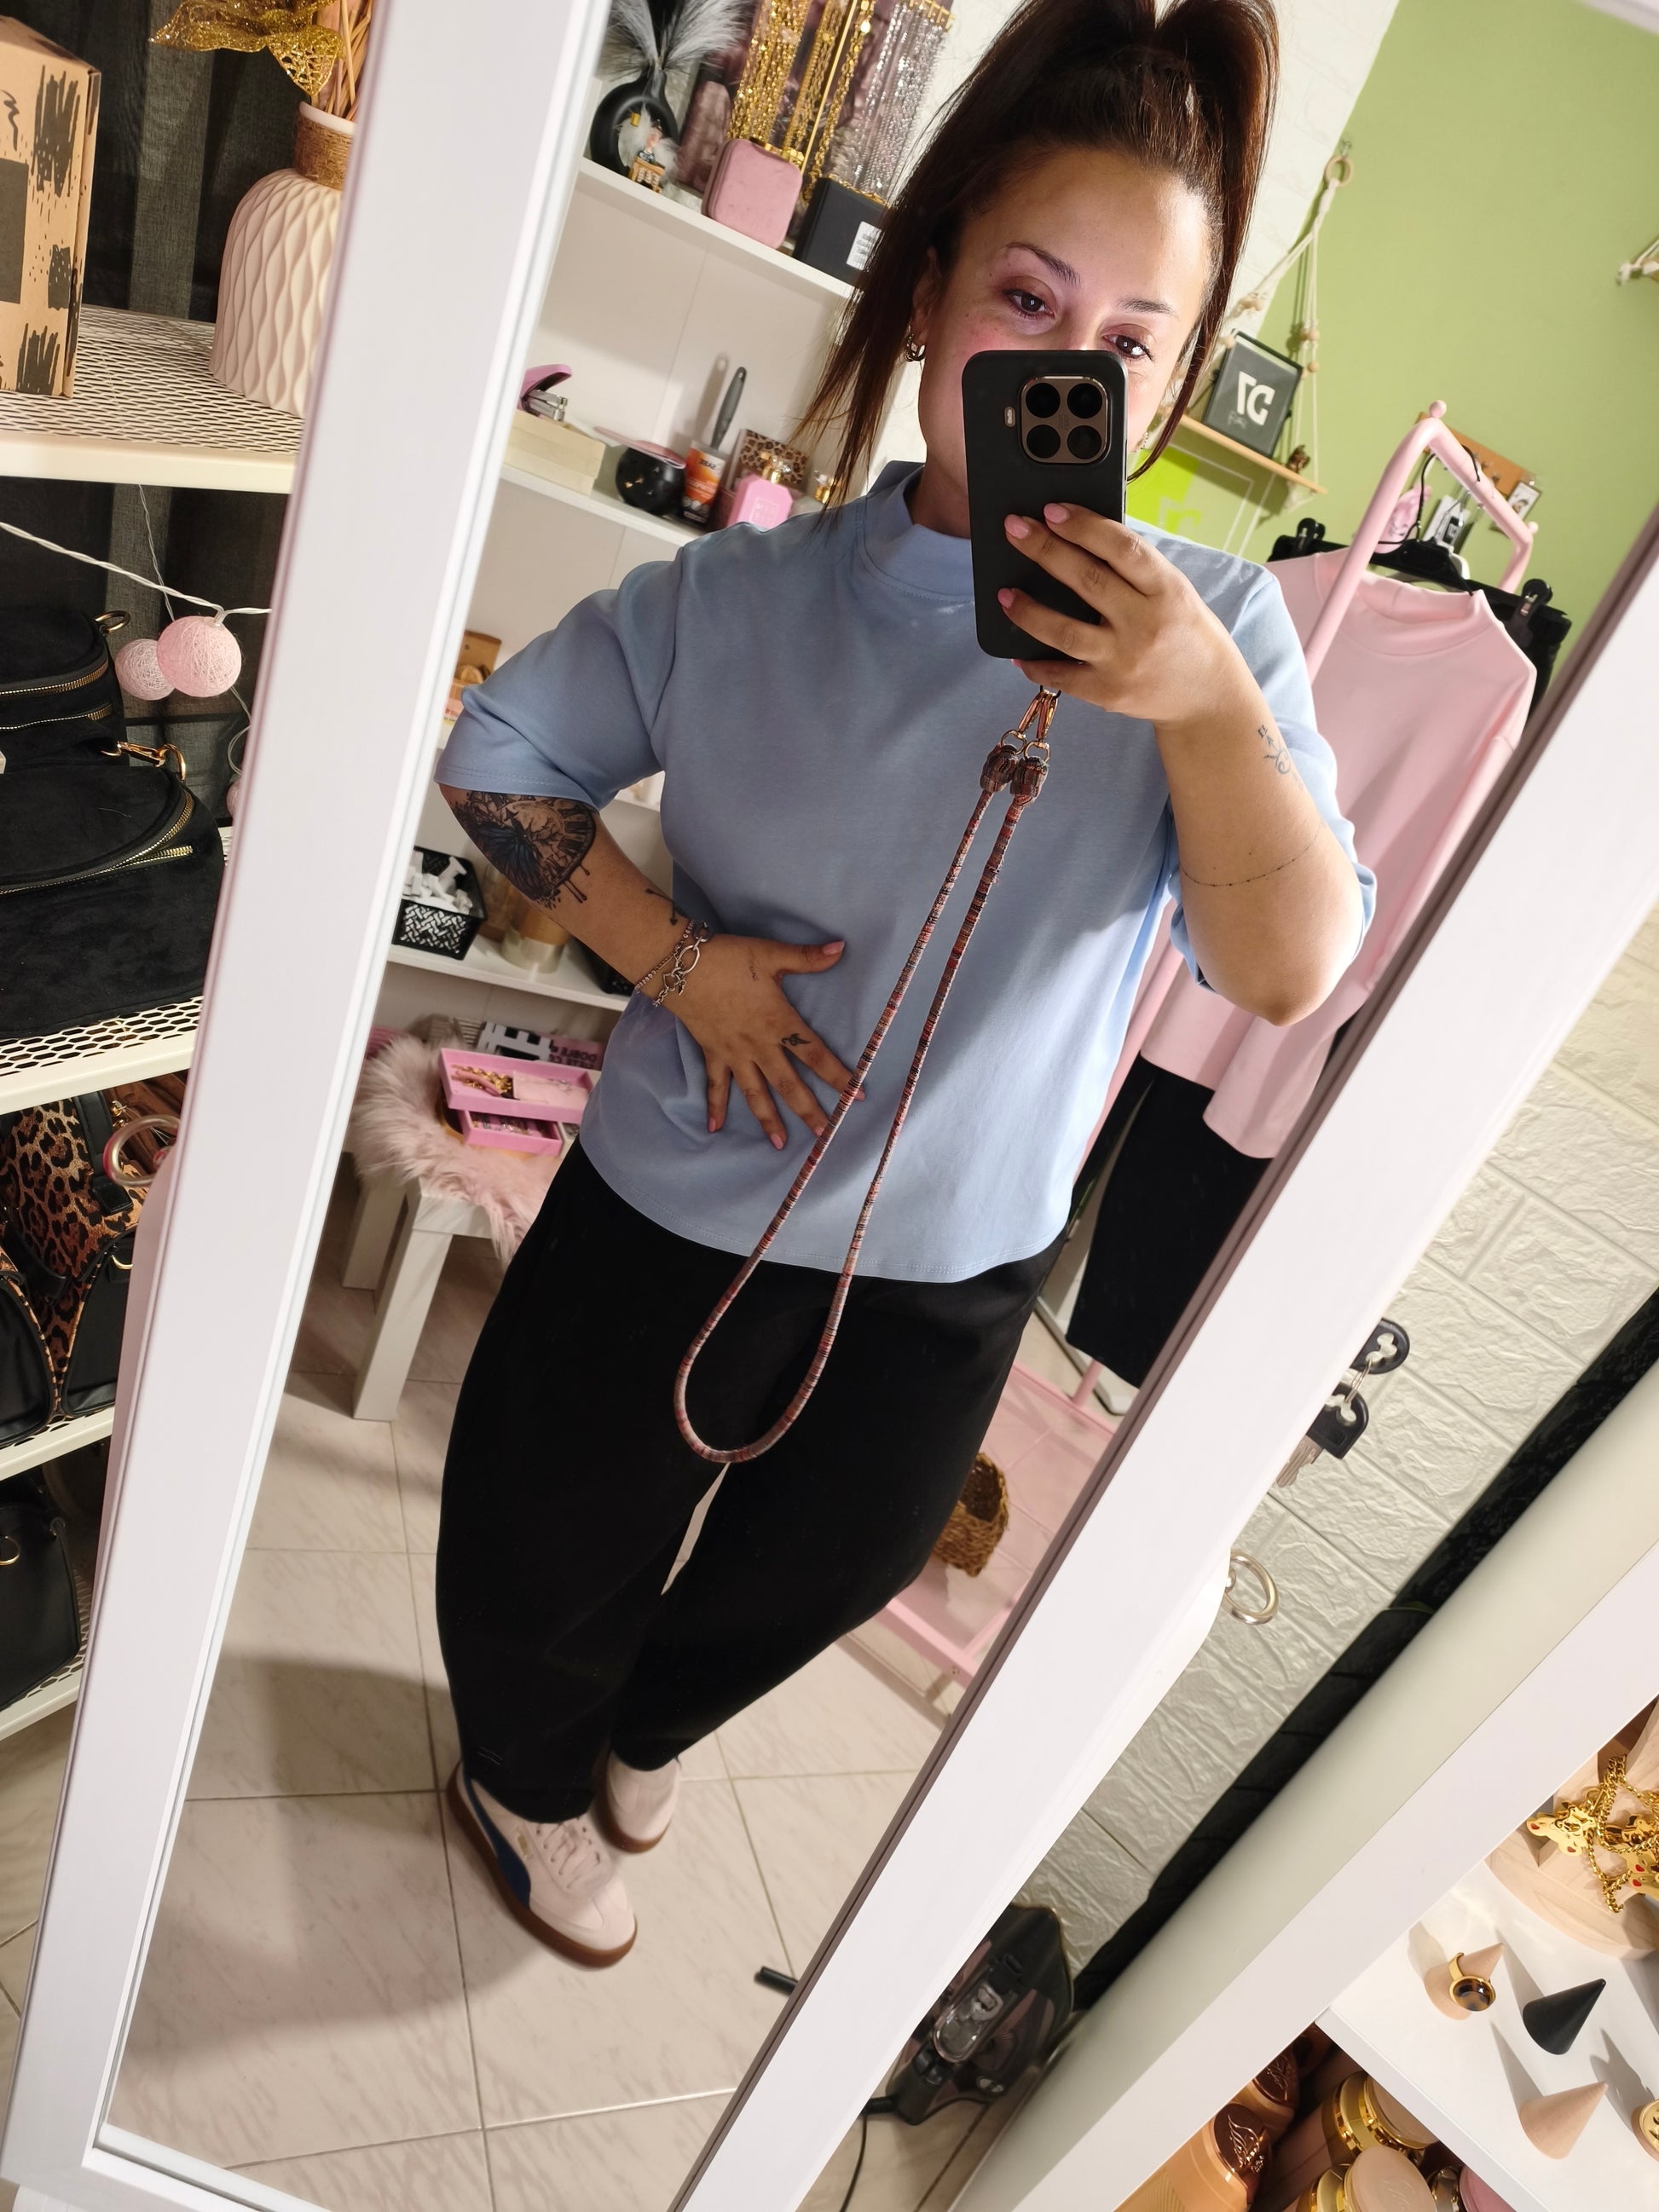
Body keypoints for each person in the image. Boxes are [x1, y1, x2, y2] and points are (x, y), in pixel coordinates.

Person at [435, 0, 1375, 1966]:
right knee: (545, 1536)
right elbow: (497, 756)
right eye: (1025, 296)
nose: (1062, 365)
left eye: (1129, 341)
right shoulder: (738, 594)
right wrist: (678, 962)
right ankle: (520, 1777)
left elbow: (1285, 969)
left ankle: (646, 1724)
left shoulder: (1216, 639)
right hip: (670, 1199)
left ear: (1167, 383)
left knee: (839, 1560)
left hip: (954, 1255)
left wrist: (1205, 712)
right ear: (929, 289)